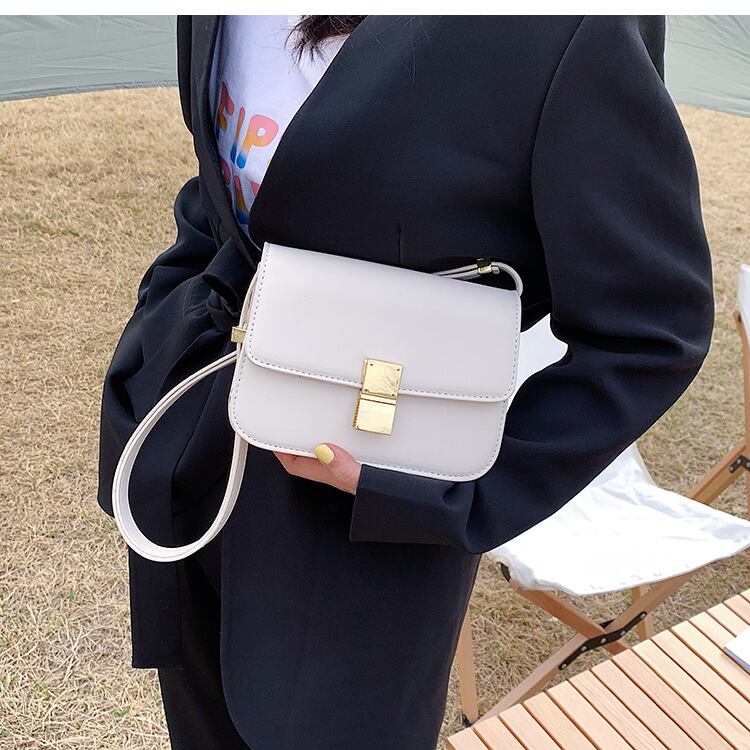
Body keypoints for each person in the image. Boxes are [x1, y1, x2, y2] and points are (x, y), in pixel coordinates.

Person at [97, 14, 714, 750]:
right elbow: (230, 185)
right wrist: (167, 308)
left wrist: (455, 494)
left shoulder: (566, 25)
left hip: (365, 513)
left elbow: (650, 326)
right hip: (193, 434)